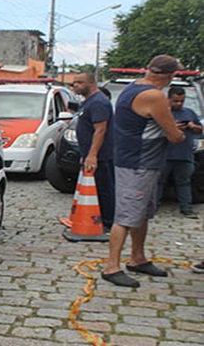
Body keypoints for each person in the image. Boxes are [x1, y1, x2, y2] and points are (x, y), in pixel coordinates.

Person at [101, 55, 186, 288]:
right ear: (171, 75)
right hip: (137, 163)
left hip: (141, 162)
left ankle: (137, 258)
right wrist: (180, 133)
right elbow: (174, 135)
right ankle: (111, 266)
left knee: (141, 214)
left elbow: (146, 123)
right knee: (126, 216)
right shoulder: (155, 96)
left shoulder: (132, 88)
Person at [73, 72, 114, 233]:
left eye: (80, 82)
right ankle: (98, 218)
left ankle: (108, 222)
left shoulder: (98, 102)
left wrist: (92, 155)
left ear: (91, 83)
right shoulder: (87, 102)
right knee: (97, 189)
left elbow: (100, 130)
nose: (75, 85)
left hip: (102, 156)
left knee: (104, 189)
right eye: (74, 82)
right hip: (91, 153)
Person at [157, 87, 203, 219]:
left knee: (184, 181)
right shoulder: (162, 113)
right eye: (175, 101)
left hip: (185, 154)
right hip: (165, 154)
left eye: (181, 101)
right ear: (169, 99)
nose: (178, 104)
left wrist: (194, 127)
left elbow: (200, 130)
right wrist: (172, 127)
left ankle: (186, 208)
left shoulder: (189, 113)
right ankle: (154, 207)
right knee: (159, 182)